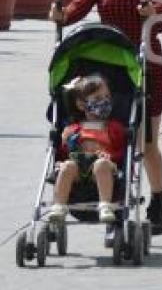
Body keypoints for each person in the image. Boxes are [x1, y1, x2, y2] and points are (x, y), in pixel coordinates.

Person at [49, 0, 162, 235]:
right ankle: (114, 200)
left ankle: (158, 197)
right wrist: (60, 15)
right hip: (108, 67)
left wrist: (153, 10)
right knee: (115, 135)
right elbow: (76, 8)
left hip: (147, 63)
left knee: (145, 143)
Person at [47, 74, 126, 224]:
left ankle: (105, 206)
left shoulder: (114, 127)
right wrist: (64, 148)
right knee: (68, 166)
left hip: (104, 167)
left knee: (101, 164)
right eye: (97, 98)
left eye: (107, 97)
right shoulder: (73, 128)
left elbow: (122, 151)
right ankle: (59, 206)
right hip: (78, 166)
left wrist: (110, 156)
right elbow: (65, 152)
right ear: (82, 105)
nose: (104, 101)